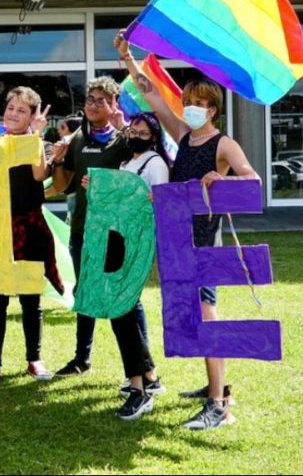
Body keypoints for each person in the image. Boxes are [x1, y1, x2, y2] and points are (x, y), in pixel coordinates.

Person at [117, 29, 259, 431]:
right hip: (177, 241)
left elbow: (254, 182)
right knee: (192, 316)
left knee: (207, 315)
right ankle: (215, 386)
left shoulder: (223, 144)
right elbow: (152, 95)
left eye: (200, 103)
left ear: (213, 109)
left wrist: (221, 179)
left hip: (205, 244)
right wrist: (128, 57)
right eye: (189, 102)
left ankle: (219, 404)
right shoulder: (183, 137)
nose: (192, 108)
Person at [50, 77, 151, 379]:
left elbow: (139, 178)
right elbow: (61, 186)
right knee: (85, 292)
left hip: (116, 233)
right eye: (90, 99)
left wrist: (125, 130)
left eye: (102, 100)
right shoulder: (77, 139)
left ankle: (145, 367)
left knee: (127, 297)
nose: (93, 105)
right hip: (83, 229)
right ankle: (82, 359)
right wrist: (58, 162)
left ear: (114, 105)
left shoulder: (125, 140)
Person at [0, 87, 64, 390]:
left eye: (21, 110)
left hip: (29, 229)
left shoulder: (38, 143)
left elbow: (40, 175)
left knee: (30, 298)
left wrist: (36, 137)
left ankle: (34, 359)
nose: (13, 113)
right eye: (10, 108)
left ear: (32, 117)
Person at [106, 112, 171, 419]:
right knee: (121, 311)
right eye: (133, 131)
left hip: (136, 243)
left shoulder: (155, 164)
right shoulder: (125, 164)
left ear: (154, 137)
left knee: (123, 311)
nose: (136, 136)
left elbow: (161, 204)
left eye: (143, 133)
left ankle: (139, 389)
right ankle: (148, 377)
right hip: (118, 240)